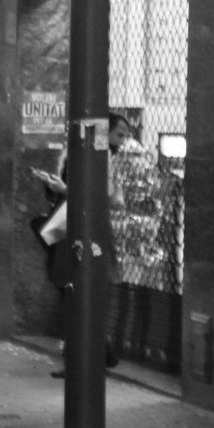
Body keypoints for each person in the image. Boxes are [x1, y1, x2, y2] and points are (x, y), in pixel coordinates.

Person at [33, 112, 127, 377]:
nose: (124, 141)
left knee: (76, 289)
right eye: (120, 134)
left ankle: (89, 354)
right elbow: (100, 195)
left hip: (79, 228)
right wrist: (56, 187)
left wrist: (64, 190)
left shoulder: (104, 157)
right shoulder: (90, 155)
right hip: (74, 226)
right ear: (104, 132)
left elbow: (102, 196)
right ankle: (92, 352)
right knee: (73, 289)